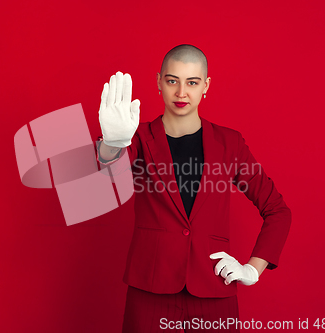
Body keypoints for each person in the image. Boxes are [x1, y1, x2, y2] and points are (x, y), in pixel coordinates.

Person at [96, 44, 291, 332]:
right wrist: (111, 144)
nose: (181, 93)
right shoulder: (137, 139)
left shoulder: (230, 144)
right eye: (172, 80)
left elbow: (277, 210)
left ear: (206, 86)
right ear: (159, 82)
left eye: (192, 82)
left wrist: (252, 268)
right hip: (151, 291)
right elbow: (107, 176)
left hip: (213, 292)